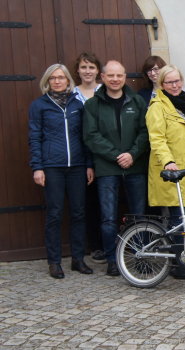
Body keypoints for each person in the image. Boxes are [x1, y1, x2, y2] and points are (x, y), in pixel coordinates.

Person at [82, 60, 149, 277]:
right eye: (110, 75)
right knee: (108, 217)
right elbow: (91, 136)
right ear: (103, 77)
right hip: (107, 168)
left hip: (135, 165)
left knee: (139, 215)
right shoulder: (92, 105)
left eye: (119, 75)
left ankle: (141, 255)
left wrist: (132, 154)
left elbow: (145, 132)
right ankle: (112, 260)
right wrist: (115, 155)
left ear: (125, 77)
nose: (115, 79)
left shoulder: (137, 101)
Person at [29, 64, 94, 279]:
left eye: (61, 78)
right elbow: (35, 138)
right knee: (55, 214)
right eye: (53, 78)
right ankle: (54, 262)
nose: (57, 81)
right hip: (52, 166)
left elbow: (85, 137)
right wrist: (38, 167)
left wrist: (88, 164)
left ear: (68, 80)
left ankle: (78, 259)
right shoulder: (39, 106)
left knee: (78, 213)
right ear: (47, 82)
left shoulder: (77, 104)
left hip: (76, 166)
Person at [145, 64, 185, 279]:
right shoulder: (157, 107)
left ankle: (182, 261)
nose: (175, 85)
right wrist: (168, 161)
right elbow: (157, 139)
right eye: (170, 82)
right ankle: (179, 264)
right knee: (179, 219)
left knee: (183, 218)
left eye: (177, 80)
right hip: (172, 170)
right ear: (161, 84)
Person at [72, 52, 104, 264]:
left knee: (109, 202)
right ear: (78, 71)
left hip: (106, 153)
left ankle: (113, 243)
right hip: (83, 154)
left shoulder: (105, 91)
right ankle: (96, 245)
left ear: (98, 71)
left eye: (91, 67)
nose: (87, 71)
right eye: (84, 67)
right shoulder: (72, 94)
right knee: (90, 202)